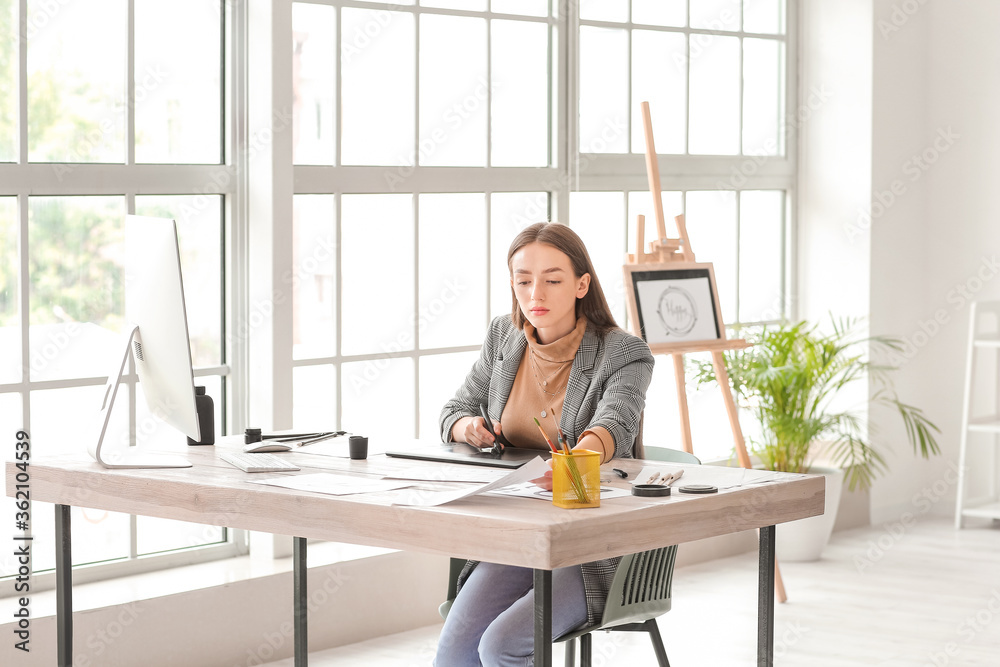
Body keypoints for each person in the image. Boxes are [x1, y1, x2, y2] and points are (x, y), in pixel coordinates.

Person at [435, 222, 654, 667]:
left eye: (553, 280)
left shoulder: (624, 352)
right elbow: (452, 410)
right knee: (456, 645)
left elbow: (616, 422)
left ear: (581, 284)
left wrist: (576, 461)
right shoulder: (504, 337)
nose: (536, 292)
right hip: (522, 535)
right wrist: (467, 426)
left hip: (595, 546)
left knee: (500, 645)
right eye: (523, 280)